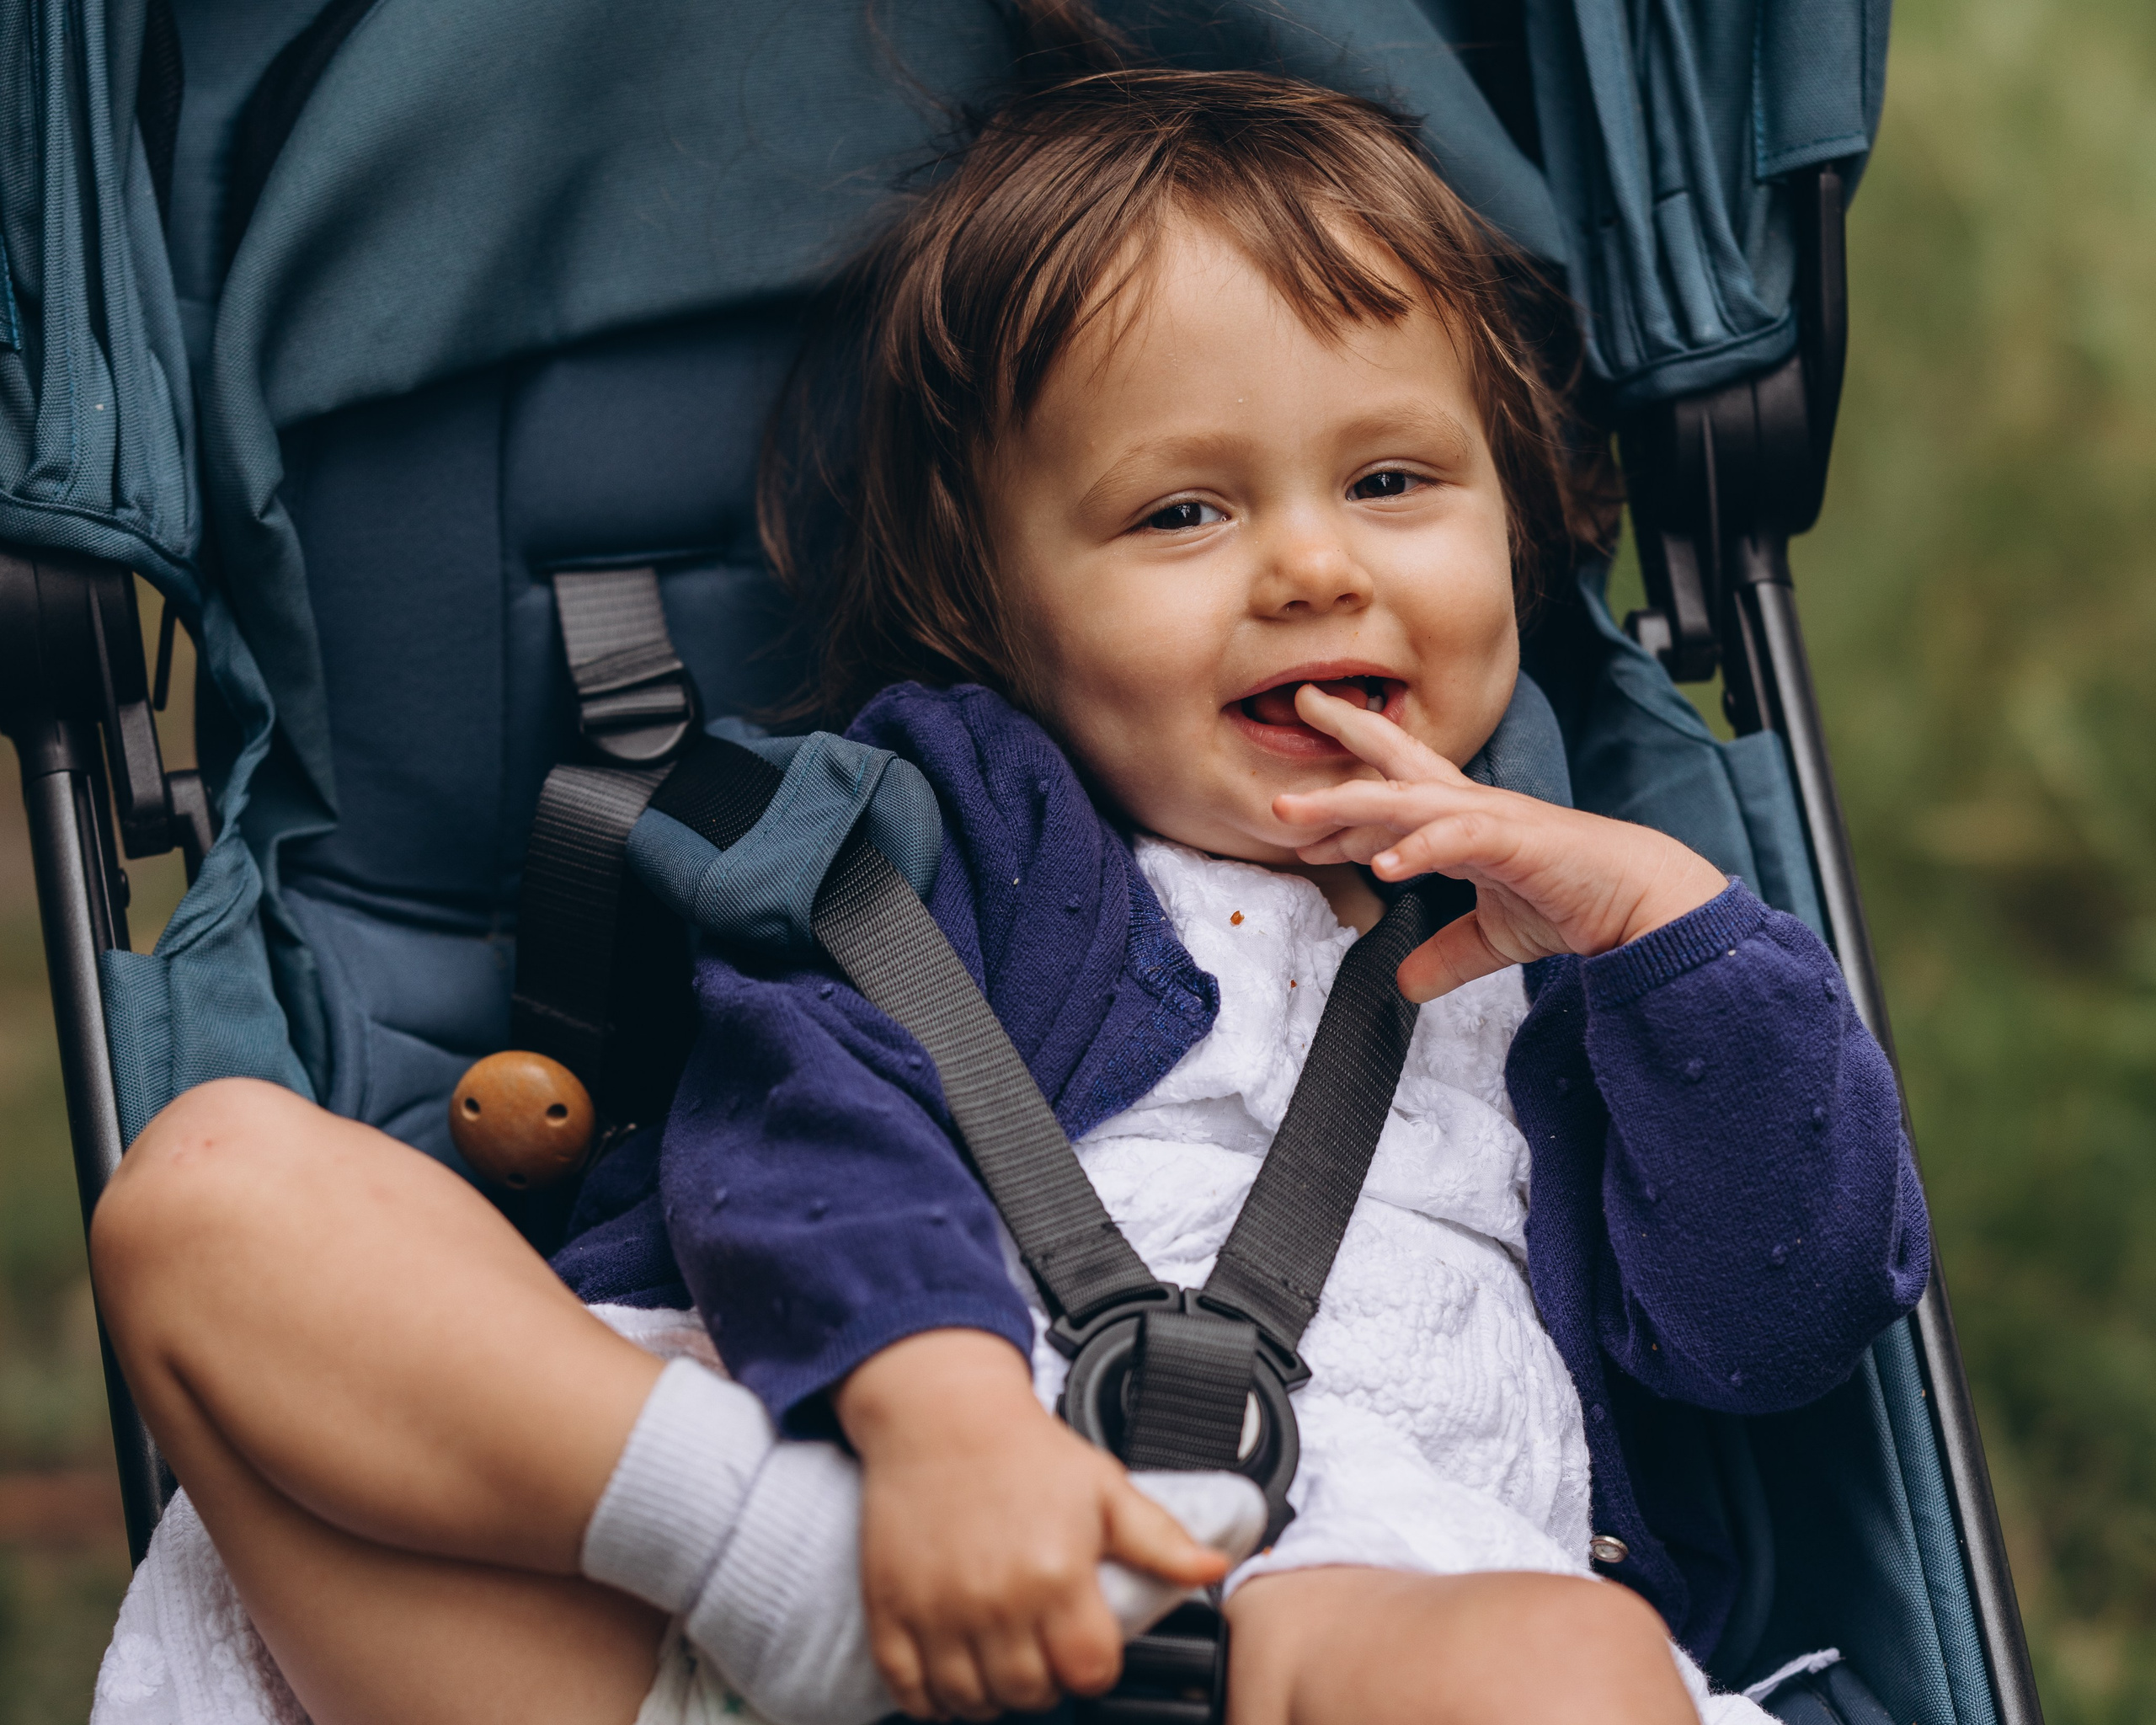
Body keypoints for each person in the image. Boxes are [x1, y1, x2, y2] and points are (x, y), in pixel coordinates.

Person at [88, 66, 1927, 1725]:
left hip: (1335, 1610)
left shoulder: (1578, 960)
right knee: (209, 1200)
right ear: (998, 604)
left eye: (1388, 479)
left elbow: (1777, 1324)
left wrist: (1674, 934)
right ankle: (790, 1572)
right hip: (795, 1558)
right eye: (1178, 515)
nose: (1305, 562)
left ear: (1515, 519)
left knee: (1569, 1672)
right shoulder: (965, 826)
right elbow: (798, 1098)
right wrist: (934, 1426)